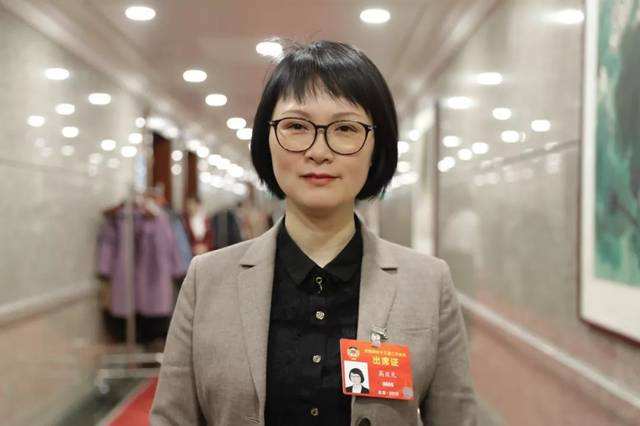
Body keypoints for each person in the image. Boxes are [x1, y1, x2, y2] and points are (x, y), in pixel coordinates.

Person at [151, 40, 476, 426]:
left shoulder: (428, 283)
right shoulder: (207, 280)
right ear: (267, 140)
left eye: (345, 128)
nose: (319, 151)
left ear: (377, 145)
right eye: (296, 126)